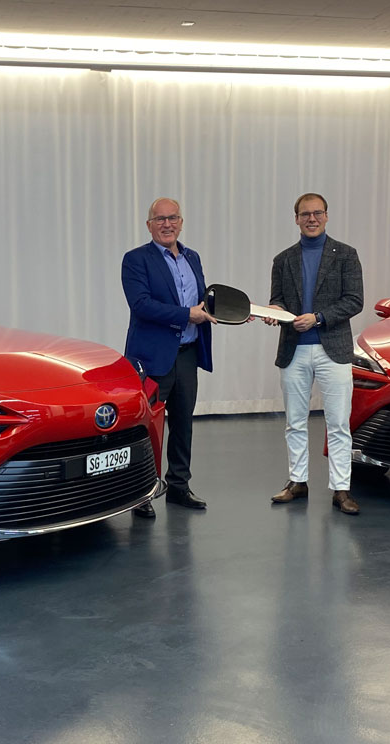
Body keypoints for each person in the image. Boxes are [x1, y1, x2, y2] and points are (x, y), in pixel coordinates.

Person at [264, 193, 365, 514]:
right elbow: (278, 299)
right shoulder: (283, 259)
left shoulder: (346, 255)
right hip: (293, 350)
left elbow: (354, 300)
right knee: (295, 422)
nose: (311, 219)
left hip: (333, 349)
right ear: (296, 219)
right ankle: (298, 482)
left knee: (338, 424)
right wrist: (274, 310)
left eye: (317, 213)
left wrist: (318, 318)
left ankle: (341, 489)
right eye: (305, 214)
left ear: (326, 216)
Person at [121, 197, 216, 518]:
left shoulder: (192, 257)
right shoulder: (136, 259)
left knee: (182, 423)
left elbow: (202, 301)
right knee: (147, 428)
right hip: (151, 358)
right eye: (159, 219)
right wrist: (187, 315)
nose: (167, 224)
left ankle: (178, 486)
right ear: (149, 225)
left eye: (172, 217)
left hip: (187, 354)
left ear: (181, 222)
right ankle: (141, 492)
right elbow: (141, 305)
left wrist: (230, 312)